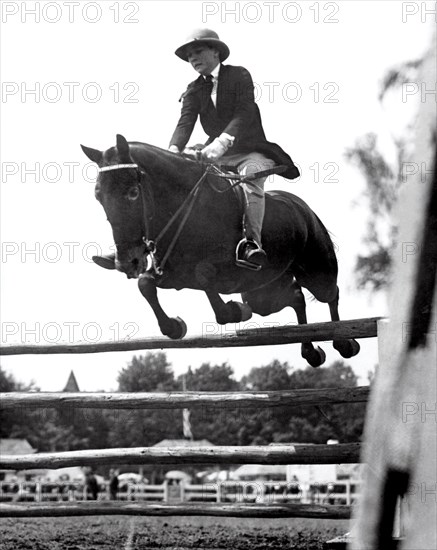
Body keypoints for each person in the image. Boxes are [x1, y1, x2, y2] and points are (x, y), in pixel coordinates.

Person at [93, 28, 299, 271]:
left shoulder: (239, 75)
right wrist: (172, 152)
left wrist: (222, 142)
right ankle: (136, 247)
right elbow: (185, 123)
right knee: (173, 176)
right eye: (189, 55)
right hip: (214, 150)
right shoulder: (193, 89)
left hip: (251, 151)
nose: (193, 58)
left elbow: (245, 112)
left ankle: (251, 243)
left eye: (198, 51)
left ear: (215, 52)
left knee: (250, 180)